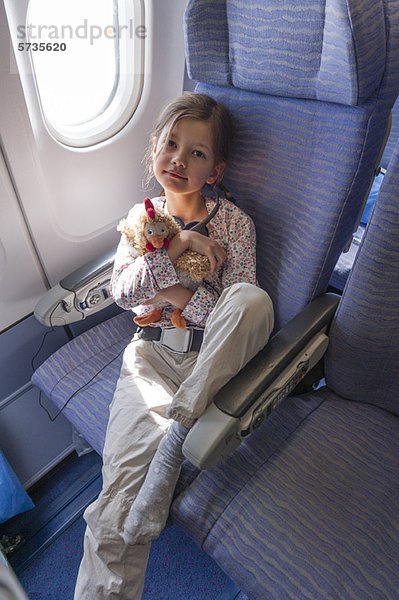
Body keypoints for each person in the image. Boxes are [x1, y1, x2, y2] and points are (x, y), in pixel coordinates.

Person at [74, 92, 274, 599]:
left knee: (254, 302)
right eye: (170, 145)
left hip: (214, 360)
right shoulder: (139, 221)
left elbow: (237, 308)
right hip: (151, 358)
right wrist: (178, 253)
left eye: (197, 153)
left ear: (215, 169)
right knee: (115, 507)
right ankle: (160, 461)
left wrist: (172, 292)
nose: (179, 159)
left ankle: (175, 439)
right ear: (155, 151)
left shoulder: (236, 225)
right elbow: (123, 292)